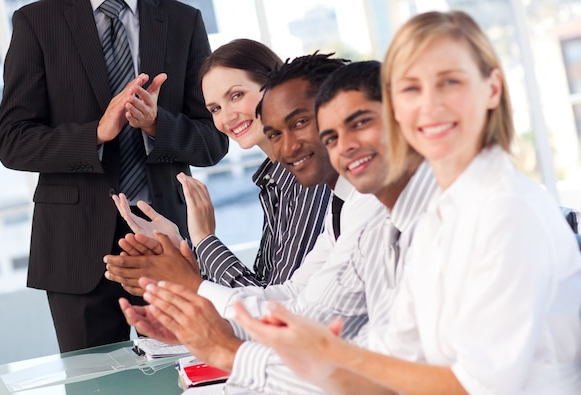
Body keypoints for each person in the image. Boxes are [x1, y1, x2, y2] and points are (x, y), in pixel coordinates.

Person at [234, 10, 581, 395]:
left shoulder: (507, 209)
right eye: (411, 89)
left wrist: (326, 353)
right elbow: (392, 355)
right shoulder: (437, 216)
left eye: (450, 82)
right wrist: (314, 360)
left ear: (493, 89)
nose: (429, 106)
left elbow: (477, 387)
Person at [120, 60, 438, 394]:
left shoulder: (354, 202)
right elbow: (292, 301)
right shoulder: (329, 199)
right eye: (214, 107)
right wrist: (205, 316)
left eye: (237, 95)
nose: (288, 147)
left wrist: (199, 285)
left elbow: (318, 325)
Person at [0, 0, 229, 353]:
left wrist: (156, 125)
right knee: (91, 385)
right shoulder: (36, 21)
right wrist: (96, 134)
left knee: (185, 372)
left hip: (166, 239)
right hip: (75, 244)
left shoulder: (184, 19)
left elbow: (214, 141)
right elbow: (13, 141)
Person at [106, 39, 332, 293]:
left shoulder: (310, 177)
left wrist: (205, 239)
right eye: (215, 108)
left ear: (275, 85)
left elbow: (275, 306)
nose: (227, 117)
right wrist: (182, 248)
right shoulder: (276, 181)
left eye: (236, 96)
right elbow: (261, 290)